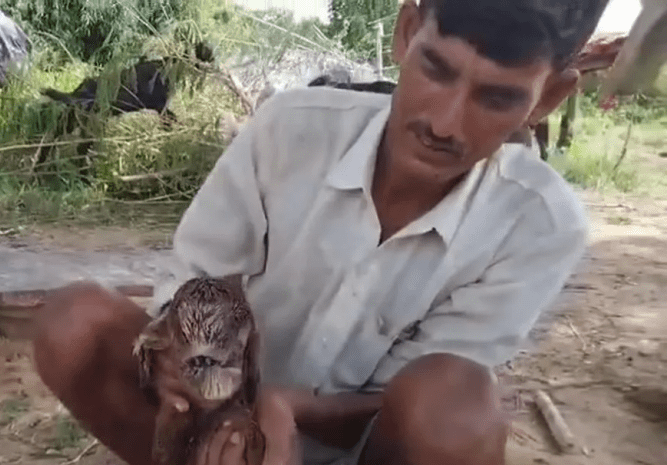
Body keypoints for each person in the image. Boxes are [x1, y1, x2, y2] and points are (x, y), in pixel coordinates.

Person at [32, 1, 609, 464]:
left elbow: (421, 396)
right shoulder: (289, 129)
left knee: (459, 410)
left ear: (551, 96)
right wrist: (209, 375)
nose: (444, 123)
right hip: (217, 419)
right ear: (407, 32)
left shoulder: (539, 225)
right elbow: (207, 283)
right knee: (75, 320)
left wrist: (287, 411)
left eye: (497, 97)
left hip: (368, 451)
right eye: (437, 68)